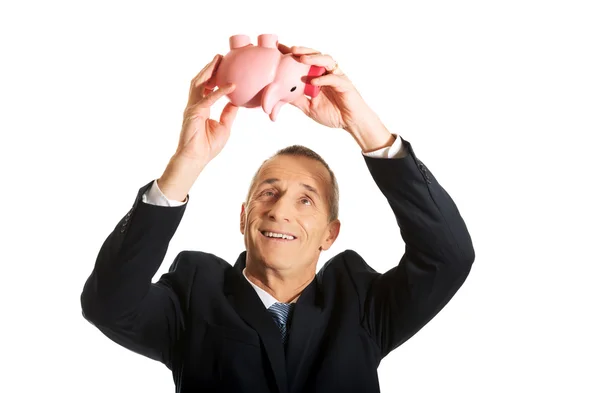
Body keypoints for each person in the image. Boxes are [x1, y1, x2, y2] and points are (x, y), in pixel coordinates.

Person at [81, 42, 475, 393]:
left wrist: (362, 124)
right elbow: (108, 304)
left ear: (329, 234)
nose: (280, 210)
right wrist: (186, 163)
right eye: (268, 193)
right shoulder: (194, 294)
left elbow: (448, 256)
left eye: (306, 201)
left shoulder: (359, 302)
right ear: (244, 217)